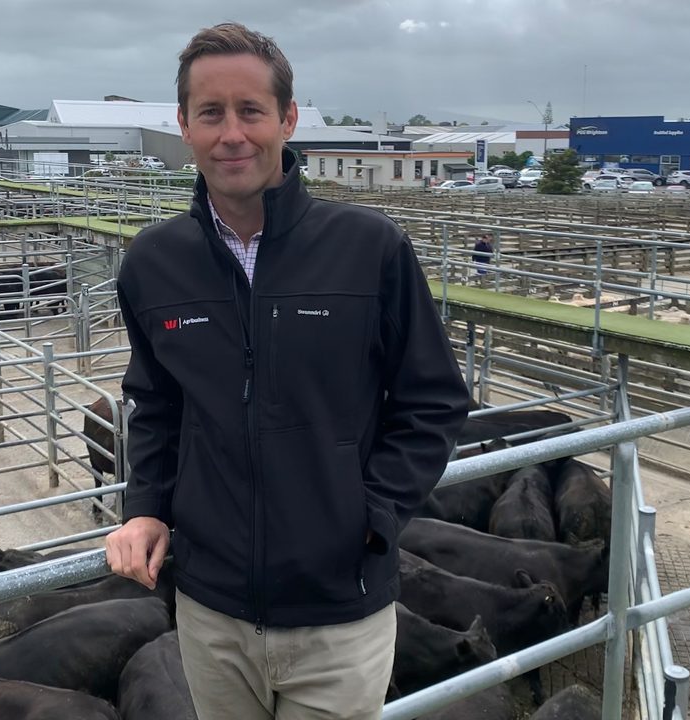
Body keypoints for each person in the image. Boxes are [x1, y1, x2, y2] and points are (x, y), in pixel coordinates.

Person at [104, 22, 470, 720]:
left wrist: (373, 514)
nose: (232, 133)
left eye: (251, 111)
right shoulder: (154, 263)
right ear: (184, 125)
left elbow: (433, 402)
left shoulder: (370, 249)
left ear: (288, 119)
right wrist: (145, 505)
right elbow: (156, 406)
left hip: (340, 616)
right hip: (211, 612)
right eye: (210, 113)